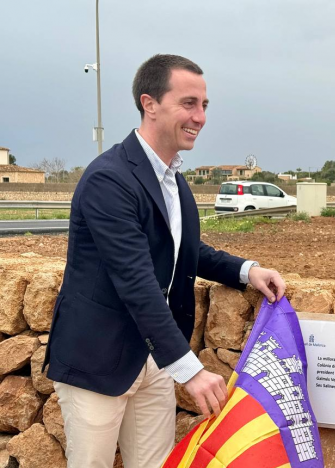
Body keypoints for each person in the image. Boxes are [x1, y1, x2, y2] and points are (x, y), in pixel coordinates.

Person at [43, 54, 286, 468]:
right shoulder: (109, 179)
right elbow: (135, 280)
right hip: (97, 358)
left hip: (152, 359)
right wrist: (190, 370)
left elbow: (186, 252)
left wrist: (247, 271)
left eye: (205, 105)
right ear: (149, 103)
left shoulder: (173, 179)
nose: (201, 116)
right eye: (189, 103)